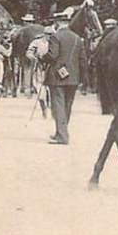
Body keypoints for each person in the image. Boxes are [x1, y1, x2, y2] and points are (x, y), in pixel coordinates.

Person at [42, 10, 84, 145]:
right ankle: (61, 132)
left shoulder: (56, 37)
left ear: (57, 22)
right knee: (67, 106)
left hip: (57, 76)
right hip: (73, 77)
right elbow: (83, 59)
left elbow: (53, 56)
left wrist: (43, 57)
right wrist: (82, 78)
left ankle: (62, 136)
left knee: (58, 105)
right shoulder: (78, 38)